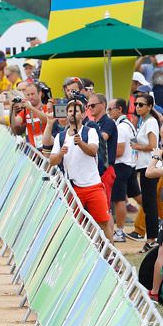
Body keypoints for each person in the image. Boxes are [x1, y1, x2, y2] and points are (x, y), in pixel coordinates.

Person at [47, 97, 114, 240]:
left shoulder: (90, 132)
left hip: (93, 185)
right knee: (74, 224)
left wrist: (81, 143)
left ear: (83, 115)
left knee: (103, 222)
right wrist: (60, 153)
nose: (72, 113)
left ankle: (111, 256)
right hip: (72, 188)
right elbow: (52, 161)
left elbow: (93, 151)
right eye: (70, 111)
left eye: (76, 111)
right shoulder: (61, 136)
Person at [130, 92, 161, 248]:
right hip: (144, 166)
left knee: (150, 203)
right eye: (136, 104)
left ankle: (152, 239)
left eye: (141, 104)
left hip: (150, 166)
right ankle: (152, 238)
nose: (137, 107)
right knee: (149, 204)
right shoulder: (144, 122)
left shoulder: (150, 122)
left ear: (149, 107)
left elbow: (152, 146)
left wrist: (137, 147)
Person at [109, 98, 140, 243]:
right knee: (137, 196)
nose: (109, 112)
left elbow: (119, 151)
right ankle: (157, 217)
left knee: (118, 200)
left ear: (119, 109)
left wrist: (105, 154)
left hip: (121, 166)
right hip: (131, 165)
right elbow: (134, 144)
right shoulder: (129, 124)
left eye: (110, 109)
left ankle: (120, 232)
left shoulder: (120, 127)